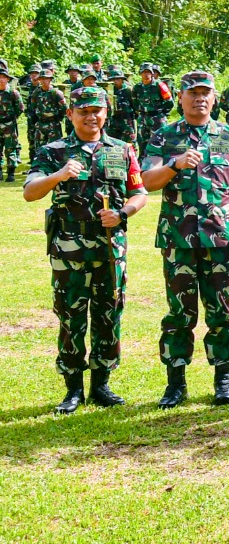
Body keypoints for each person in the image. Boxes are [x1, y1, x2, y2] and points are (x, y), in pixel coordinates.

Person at [23, 87, 147, 414]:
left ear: (106, 113)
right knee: (71, 317)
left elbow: (139, 193)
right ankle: (73, 388)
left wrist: (122, 213)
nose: (91, 116)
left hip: (109, 250)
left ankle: (102, 384)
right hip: (69, 252)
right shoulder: (53, 151)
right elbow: (30, 192)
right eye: (84, 111)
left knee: (108, 315)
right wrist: (59, 175)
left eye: (97, 110)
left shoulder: (122, 151)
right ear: (71, 114)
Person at [141, 71, 229, 407]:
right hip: (178, 241)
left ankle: (223, 377)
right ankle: (176, 382)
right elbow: (147, 182)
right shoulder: (164, 136)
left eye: (206, 93)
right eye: (193, 93)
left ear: (214, 98)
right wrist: (174, 165)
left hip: (220, 240)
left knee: (221, 311)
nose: (200, 99)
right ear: (180, 98)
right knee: (179, 313)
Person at [27, 65, 68, 159]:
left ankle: (56, 169)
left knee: (55, 149)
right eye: (42, 79)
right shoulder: (36, 93)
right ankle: (40, 168)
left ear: (50, 80)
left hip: (53, 125)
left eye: (46, 79)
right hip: (40, 124)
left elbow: (63, 109)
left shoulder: (56, 93)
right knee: (39, 149)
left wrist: (57, 119)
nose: (44, 81)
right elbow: (33, 107)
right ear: (39, 80)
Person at [0, 67, 22, 181]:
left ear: (7, 79)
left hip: (9, 125)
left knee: (10, 148)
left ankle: (11, 172)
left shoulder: (13, 93)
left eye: (4, 77)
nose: (1, 80)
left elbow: (20, 108)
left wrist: (11, 119)